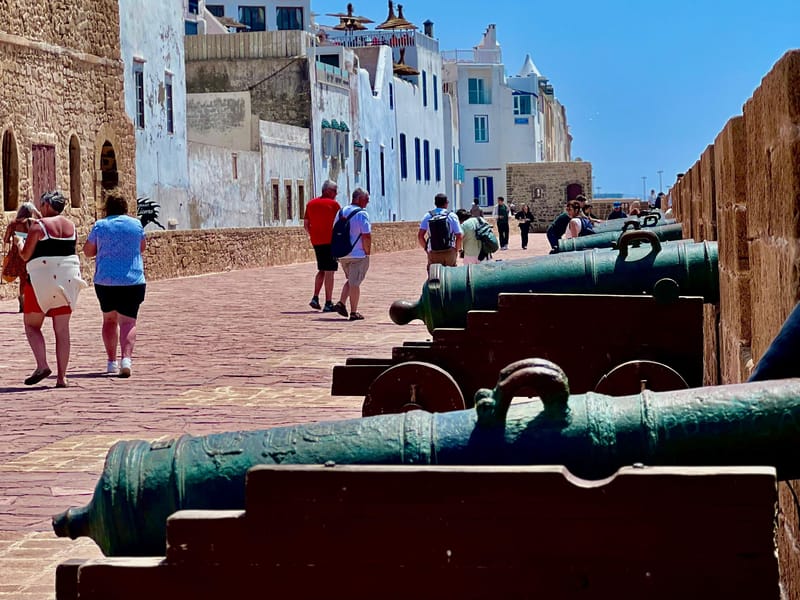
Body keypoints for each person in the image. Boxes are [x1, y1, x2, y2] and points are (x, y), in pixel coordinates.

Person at [16, 191, 86, 388]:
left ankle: (42, 365)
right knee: (62, 330)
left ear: (46, 205)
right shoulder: (71, 226)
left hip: (42, 280)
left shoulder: (39, 226)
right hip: (68, 280)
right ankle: (62, 377)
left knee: (32, 325)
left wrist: (20, 241)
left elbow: (25, 255)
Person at [83, 188, 147, 378]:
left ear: (107, 207)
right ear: (125, 207)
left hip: (106, 281)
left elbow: (88, 251)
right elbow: (142, 247)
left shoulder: (100, 226)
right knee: (128, 321)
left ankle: (111, 362)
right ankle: (126, 360)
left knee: (109, 320)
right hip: (132, 280)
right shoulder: (136, 225)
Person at [331, 188, 371, 321]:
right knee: (355, 284)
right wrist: (367, 252)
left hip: (343, 254)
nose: (368, 202)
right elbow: (366, 235)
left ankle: (341, 303)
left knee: (351, 280)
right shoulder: (362, 214)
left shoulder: (341, 211)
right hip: (357, 254)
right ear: (359, 199)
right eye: (366, 199)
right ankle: (354, 312)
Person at [303, 180, 340, 312]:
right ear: (328, 191)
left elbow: (306, 223)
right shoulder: (334, 204)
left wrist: (313, 234)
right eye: (335, 191)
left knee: (322, 269)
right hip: (330, 241)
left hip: (317, 241)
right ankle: (328, 302)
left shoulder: (310, 204)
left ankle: (315, 297)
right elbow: (340, 223)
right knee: (330, 271)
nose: (336, 194)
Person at [3, 202, 42, 312]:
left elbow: (5, 240)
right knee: (29, 278)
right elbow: (43, 222)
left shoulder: (12, 224)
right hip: (29, 253)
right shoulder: (32, 222)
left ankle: (22, 300)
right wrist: (37, 212)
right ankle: (29, 301)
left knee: (22, 279)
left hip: (16, 255)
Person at [418, 193, 462, 271]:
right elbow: (459, 235)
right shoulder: (451, 216)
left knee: (434, 277)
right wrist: (456, 250)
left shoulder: (428, 216)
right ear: (446, 203)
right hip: (449, 251)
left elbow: (420, 236)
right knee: (451, 276)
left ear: (435, 203)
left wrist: (427, 249)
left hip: (434, 251)